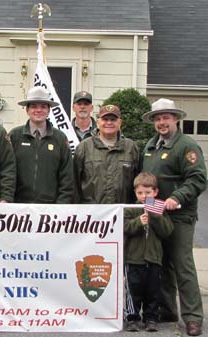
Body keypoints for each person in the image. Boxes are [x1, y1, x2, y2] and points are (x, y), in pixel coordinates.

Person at [141, 98, 206, 336]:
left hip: (179, 216)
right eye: (158, 118)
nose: (162, 122)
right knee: (163, 265)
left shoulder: (186, 146)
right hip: (156, 212)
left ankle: (192, 317)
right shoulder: (150, 146)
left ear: (176, 119)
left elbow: (198, 178)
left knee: (183, 266)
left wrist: (177, 197)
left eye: (166, 117)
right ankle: (168, 311)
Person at [124, 172, 173, 332]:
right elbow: (124, 227)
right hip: (134, 259)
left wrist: (155, 216)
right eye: (140, 193)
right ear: (135, 193)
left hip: (153, 258)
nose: (144, 196)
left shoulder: (158, 209)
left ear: (155, 192)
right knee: (133, 291)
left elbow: (167, 230)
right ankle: (132, 318)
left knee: (153, 291)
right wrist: (138, 222)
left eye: (148, 193)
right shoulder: (131, 209)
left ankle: (151, 318)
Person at [9, 86, 74, 203]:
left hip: (51, 208)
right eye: (34, 106)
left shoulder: (60, 138)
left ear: (49, 110)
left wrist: (62, 204)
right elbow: (6, 170)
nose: (38, 110)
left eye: (43, 106)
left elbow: (67, 176)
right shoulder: (14, 136)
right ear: (27, 110)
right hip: (19, 207)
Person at [74, 104, 140, 203]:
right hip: (92, 213)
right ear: (98, 122)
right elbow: (74, 183)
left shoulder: (131, 147)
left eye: (113, 119)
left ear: (120, 122)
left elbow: (139, 182)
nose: (109, 123)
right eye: (105, 119)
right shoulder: (84, 147)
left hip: (123, 212)